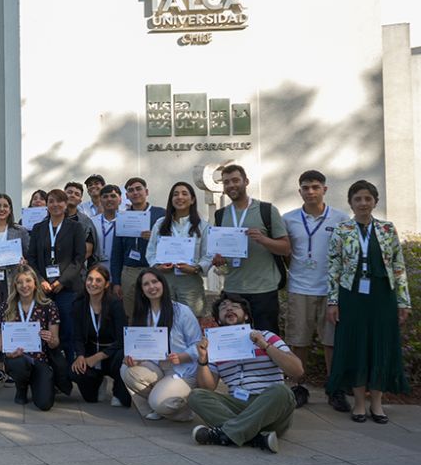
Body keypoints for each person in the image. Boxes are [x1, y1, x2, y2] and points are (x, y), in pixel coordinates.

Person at [326, 180, 411, 424]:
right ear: (351, 203)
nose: (363, 203)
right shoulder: (342, 230)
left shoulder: (387, 229)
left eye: (368, 199)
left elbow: (398, 265)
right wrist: (333, 302)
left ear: (375, 202)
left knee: (379, 345)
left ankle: (377, 403)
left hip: (382, 296)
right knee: (356, 345)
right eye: (358, 199)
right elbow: (333, 267)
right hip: (351, 297)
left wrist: (403, 302)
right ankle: (359, 403)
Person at [190, 293, 303, 453]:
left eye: (235, 306)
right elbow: (207, 387)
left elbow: (297, 370)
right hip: (239, 404)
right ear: (218, 319)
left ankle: (225, 433)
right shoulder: (214, 346)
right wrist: (203, 360)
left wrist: (264, 346)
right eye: (223, 307)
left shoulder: (267, 336)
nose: (229, 308)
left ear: (247, 315)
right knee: (196, 395)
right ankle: (257, 437)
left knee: (282, 391)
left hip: (270, 405)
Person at [281, 170, 350, 410]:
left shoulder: (341, 218)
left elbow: (346, 256)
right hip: (299, 288)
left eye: (315, 187)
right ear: (299, 191)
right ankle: (299, 387)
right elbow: (286, 252)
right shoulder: (288, 218)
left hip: (331, 291)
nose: (310, 191)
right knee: (298, 341)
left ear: (325, 189)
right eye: (305, 187)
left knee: (330, 342)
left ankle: (334, 388)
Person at [211, 164, 291, 333]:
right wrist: (219, 259)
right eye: (226, 182)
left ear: (246, 182)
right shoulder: (220, 215)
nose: (231, 185)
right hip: (233, 291)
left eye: (235, 180)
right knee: (234, 341)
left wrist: (263, 239)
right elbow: (223, 254)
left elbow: (285, 248)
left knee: (267, 339)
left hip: (263, 289)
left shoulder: (266, 210)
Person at [120, 269, 202, 421]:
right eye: (146, 284)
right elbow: (142, 348)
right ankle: (158, 405)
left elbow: (198, 344)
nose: (152, 287)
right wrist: (134, 359)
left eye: (155, 282)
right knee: (126, 369)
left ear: (163, 284)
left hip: (182, 370)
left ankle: (179, 407)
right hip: (157, 366)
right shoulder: (143, 314)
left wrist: (182, 357)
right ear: (142, 290)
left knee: (159, 402)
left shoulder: (181, 311)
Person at [25, 189, 85, 365]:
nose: (55, 205)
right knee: (45, 330)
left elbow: (79, 259)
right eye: (51, 201)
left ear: (66, 205)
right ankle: (47, 370)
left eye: (59, 201)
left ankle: (68, 371)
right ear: (47, 205)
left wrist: (61, 281)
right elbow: (31, 258)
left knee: (67, 329)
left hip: (68, 288)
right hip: (43, 288)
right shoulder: (38, 228)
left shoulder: (76, 227)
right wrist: (41, 280)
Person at [0, 264, 60, 410]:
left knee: (45, 404)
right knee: (18, 363)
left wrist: (51, 340)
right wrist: (8, 352)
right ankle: (21, 387)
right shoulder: (7, 307)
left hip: (40, 360)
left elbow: (55, 342)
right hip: (16, 358)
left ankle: (37, 382)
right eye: (19, 282)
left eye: (28, 281)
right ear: (15, 285)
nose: (24, 286)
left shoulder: (48, 305)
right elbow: (1, 343)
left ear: (35, 283)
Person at [146, 182, 211, 319]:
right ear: (171, 200)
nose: (179, 197)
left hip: (190, 281)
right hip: (165, 280)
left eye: (184, 193)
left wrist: (195, 268)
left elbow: (208, 255)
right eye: (175, 194)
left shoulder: (203, 226)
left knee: (192, 320)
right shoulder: (160, 223)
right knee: (165, 319)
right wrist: (157, 266)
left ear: (192, 199)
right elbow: (151, 252)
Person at [70, 265, 130, 407]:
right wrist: (79, 355)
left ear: (106, 284)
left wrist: (98, 356)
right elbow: (77, 336)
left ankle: (118, 390)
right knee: (79, 379)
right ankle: (98, 381)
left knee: (123, 355)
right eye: (90, 279)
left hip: (112, 353)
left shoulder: (115, 304)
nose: (93, 283)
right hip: (90, 352)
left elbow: (122, 339)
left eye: (98, 280)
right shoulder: (79, 304)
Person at [111, 177, 166, 323]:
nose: (135, 193)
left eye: (138, 189)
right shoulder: (122, 218)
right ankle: (135, 344)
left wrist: (154, 238)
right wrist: (116, 281)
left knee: (156, 309)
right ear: (126, 196)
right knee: (131, 313)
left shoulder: (160, 214)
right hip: (130, 271)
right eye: (130, 190)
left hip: (154, 269)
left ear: (146, 191)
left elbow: (170, 244)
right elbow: (116, 253)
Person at [64, 181, 97, 269]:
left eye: (77, 194)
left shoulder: (86, 222)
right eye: (69, 192)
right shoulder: (51, 218)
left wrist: (68, 267)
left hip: (75, 270)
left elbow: (87, 251)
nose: (72, 195)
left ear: (80, 200)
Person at [89, 184, 121, 272]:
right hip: (96, 270)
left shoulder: (126, 221)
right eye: (105, 197)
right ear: (100, 200)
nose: (109, 199)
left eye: (113, 196)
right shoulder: (91, 222)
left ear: (120, 199)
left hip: (120, 269)